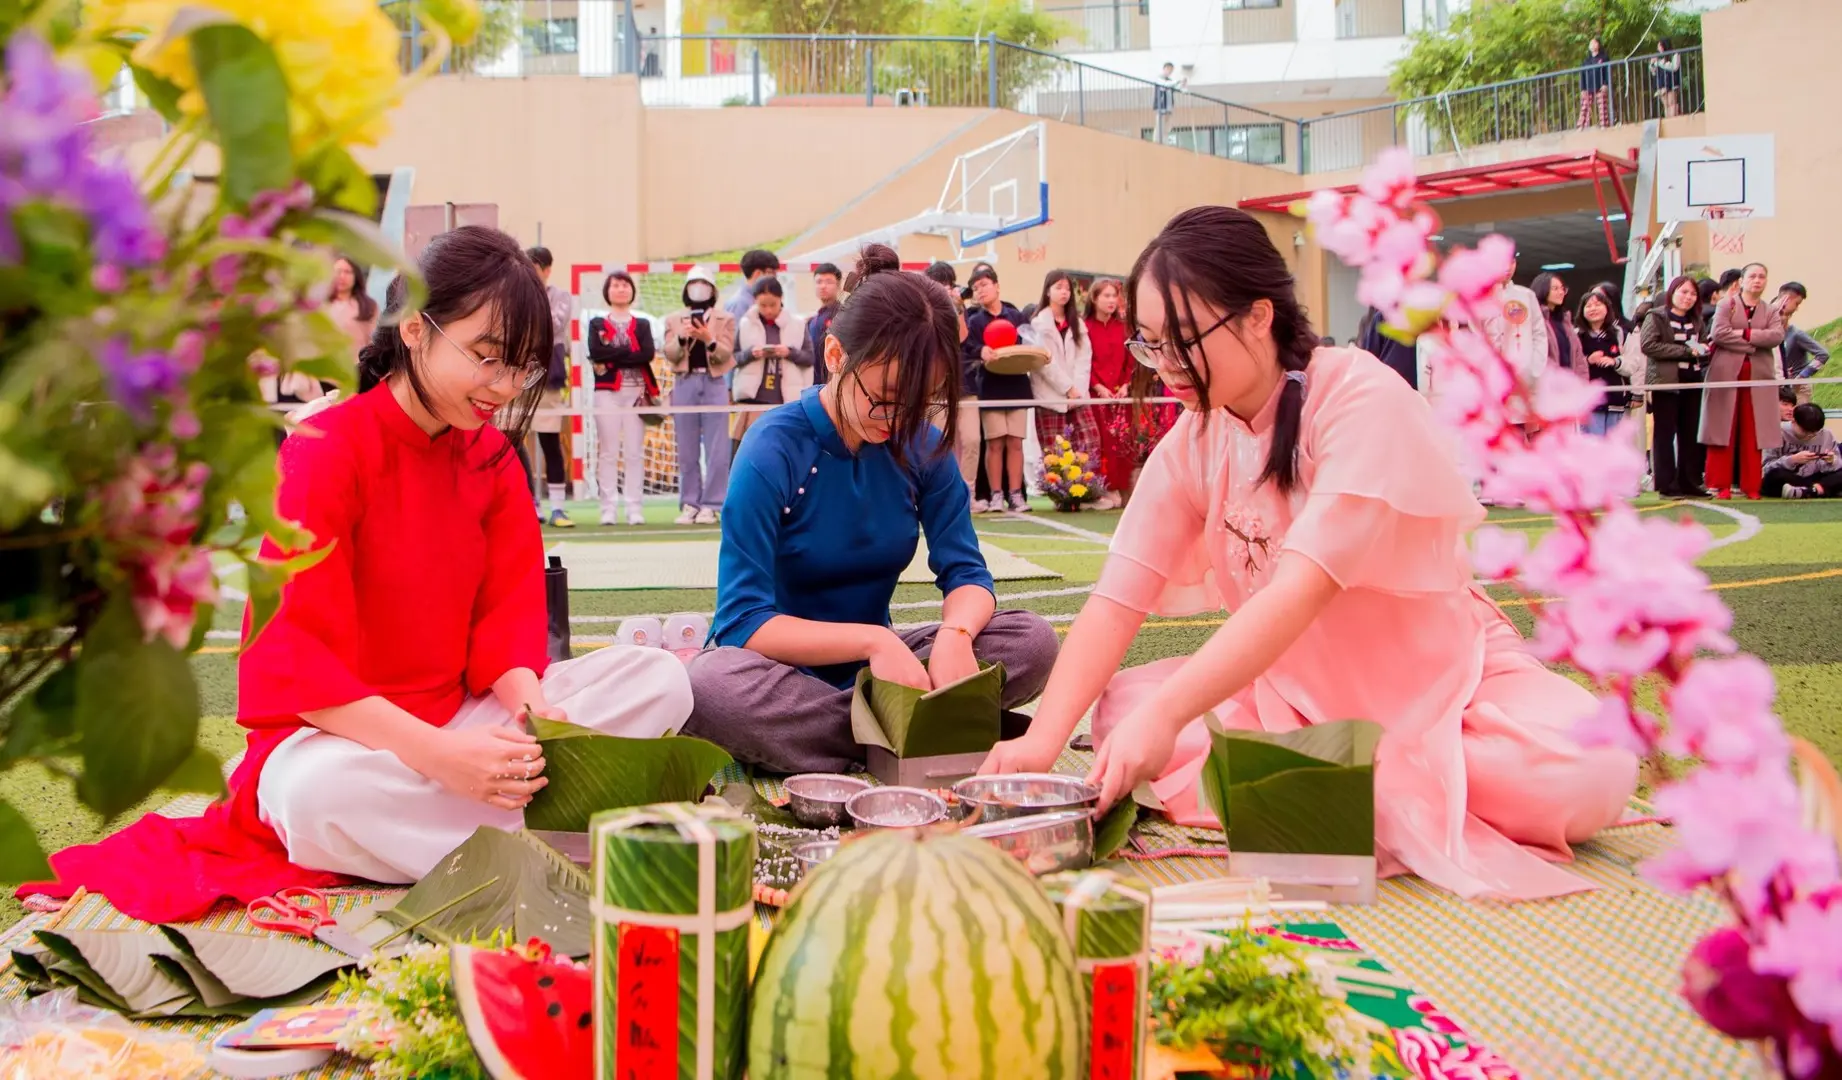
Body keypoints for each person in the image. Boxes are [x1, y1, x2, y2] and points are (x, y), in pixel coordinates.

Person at [22, 227, 695, 922]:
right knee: (312, 798)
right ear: (414, 329)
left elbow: (508, 620)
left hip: (461, 719)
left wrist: (533, 709)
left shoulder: (492, 459)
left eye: (519, 368)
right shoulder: (326, 450)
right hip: (341, 741)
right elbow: (300, 670)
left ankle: (492, 831)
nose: (503, 387)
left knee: (659, 680)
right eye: (487, 358)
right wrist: (441, 757)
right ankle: (552, 830)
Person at [977, 206, 1636, 902]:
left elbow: (1301, 589)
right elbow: (1116, 601)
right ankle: (1330, 784)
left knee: (1594, 769)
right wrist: (1043, 742)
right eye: (1150, 344)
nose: (1165, 366)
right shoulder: (1194, 439)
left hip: (1446, 686)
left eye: (1181, 342)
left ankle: (1331, 786)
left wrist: (1169, 717)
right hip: (1286, 700)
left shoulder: (1355, 397)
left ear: (1258, 316)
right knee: (1120, 718)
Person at [683, 245, 1059, 774]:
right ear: (836, 357)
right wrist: (874, 638)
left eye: (919, 399)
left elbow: (968, 574)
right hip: (782, 670)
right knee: (709, 687)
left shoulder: (922, 446)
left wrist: (954, 635)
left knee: (1033, 641)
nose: (898, 418)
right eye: (884, 398)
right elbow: (744, 622)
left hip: (880, 668)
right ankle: (911, 727)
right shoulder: (773, 447)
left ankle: (871, 730)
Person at [1702, 262, 1786, 500]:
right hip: (1725, 374)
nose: (1757, 280)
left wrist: (1745, 334)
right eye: (1753, 276)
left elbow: (1776, 336)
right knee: (1722, 429)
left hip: (1759, 376)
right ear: (1742, 280)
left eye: (1762, 276)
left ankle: (1752, 485)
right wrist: (1753, 344)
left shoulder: (1770, 310)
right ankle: (1720, 485)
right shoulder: (1725, 304)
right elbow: (1718, 333)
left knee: (1754, 430)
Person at [662, 266, 736, 525]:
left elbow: (726, 354)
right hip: (684, 382)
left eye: (703, 283)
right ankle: (690, 502)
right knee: (686, 446)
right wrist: (683, 338)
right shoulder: (674, 319)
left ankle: (712, 503)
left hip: (714, 382)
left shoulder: (725, 318)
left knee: (717, 447)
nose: (698, 287)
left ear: (712, 289)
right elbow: (670, 355)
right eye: (693, 283)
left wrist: (708, 338)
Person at [586, 270, 656, 526]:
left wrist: (613, 354)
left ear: (632, 291)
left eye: (625, 285)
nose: (621, 289)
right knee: (608, 452)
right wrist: (627, 351)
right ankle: (608, 508)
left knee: (635, 452)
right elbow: (595, 352)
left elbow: (646, 354)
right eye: (616, 285)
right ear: (608, 291)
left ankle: (634, 507)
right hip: (607, 393)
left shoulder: (643, 324)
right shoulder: (596, 323)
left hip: (637, 394)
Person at [964, 266, 1032, 513]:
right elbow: (968, 348)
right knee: (994, 443)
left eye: (984, 285)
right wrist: (981, 351)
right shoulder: (974, 321)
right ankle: (995, 495)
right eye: (975, 288)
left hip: (1017, 385)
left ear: (997, 286)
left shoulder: (1016, 316)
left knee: (1015, 442)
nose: (980, 291)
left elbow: (1031, 342)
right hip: (990, 387)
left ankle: (1016, 495)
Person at [1642, 274, 1713, 498]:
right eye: (1683, 292)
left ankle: (1690, 481)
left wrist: (1702, 350)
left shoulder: (1697, 320)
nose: (1688, 297)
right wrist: (1684, 351)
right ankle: (1666, 484)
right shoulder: (1656, 316)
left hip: (1692, 381)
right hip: (1665, 383)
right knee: (1664, 434)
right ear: (1672, 293)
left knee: (1690, 433)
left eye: (1693, 293)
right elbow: (1649, 345)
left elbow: (1702, 344)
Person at [526, 246, 576, 529]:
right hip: (517, 377)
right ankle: (529, 503)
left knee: (550, 442)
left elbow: (553, 324)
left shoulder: (561, 297)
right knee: (517, 445)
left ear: (547, 270)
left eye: (535, 267)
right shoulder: (513, 295)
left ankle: (557, 507)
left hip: (549, 375)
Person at [1030, 269, 1099, 473]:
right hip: (1050, 395)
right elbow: (1042, 361)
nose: (1064, 292)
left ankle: (1087, 491)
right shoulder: (1038, 323)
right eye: (1058, 287)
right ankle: (1063, 495)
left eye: (1068, 288)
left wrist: (1076, 390)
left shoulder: (1078, 324)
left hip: (1078, 395)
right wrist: (1067, 388)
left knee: (1089, 441)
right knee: (1055, 451)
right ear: (1047, 291)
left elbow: (1084, 359)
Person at [732, 277, 812, 446]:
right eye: (763, 305)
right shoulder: (746, 323)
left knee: (783, 445)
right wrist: (751, 353)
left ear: (781, 299)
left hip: (785, 400)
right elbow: (734, 358)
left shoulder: (797, 324)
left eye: (772, 305)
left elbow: (809, 358)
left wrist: (789, 352)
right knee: (753, 446)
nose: (768, 310)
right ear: (755, 301)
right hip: (754, 399)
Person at [1087, 277, 1136, 507]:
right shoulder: (1084, 327)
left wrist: (1126, 384)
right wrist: (1098, 387)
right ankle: (1102, 490)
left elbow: (1130, 361)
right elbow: (1084, 362)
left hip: (1120, 397)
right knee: (1101, 443)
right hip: (1096, 397)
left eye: (1114, 296)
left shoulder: (1123, 328)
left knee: (1122, 444)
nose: (1111, 300)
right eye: (1105, 295)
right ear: (1094, 298)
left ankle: (1122, 490)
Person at [1577, 284, 1636, 435]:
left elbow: (1633, 363)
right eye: (1588, 306)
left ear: (1608, 307)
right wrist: (1588, 360)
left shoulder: (1620, 334)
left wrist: (1616, 362)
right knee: (1593, 447)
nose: (1593, 309)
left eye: (1598, 304)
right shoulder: (1576, 336)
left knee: (1614, 446)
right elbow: (1569, 367)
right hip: (1589, 402)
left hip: (1615, 398)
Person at [1764, 402, 1842, 498]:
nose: (1810, 435)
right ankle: (1820, 490)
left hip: (1815, 478)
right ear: (1793, 420)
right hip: (1790, 478)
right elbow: (1766, 469)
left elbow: (1838, 465)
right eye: (1805, 431)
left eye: (1814, 432)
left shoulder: (1826, 434)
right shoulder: (1778, 432)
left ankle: (1808, 491)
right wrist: (1792, 460)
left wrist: (1832, 461)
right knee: (1775, 475)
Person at [1776, 282, 1829, 405]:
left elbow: (1823, 354)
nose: (1781, 317)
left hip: (1797, 389)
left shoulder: (1796, 334)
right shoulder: (1768, 334)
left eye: (1785, 314)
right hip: (1780, 386)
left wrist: (1801, 376)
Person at [1531, 271, 1589, 383]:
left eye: (1563, 288)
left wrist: (1581, 384)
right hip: (1545, 387)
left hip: (1570, 388)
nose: (1561, 292)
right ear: (1542, 289)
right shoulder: (1535, 319)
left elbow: (1578, 358)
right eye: (1555, 288)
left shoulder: (1565, 321)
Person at [326, 254, 378, 359]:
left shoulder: (368, 306)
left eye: (347, 272)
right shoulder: (320, 305)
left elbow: (374, 341)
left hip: (357, 367)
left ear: (356, 276)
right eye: (338, 271)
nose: (342, 276)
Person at [1357, 305, 1418, 389]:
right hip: (1414, 387)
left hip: (1387, 384)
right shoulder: (1426, 316)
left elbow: (1368, 358)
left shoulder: (1382, 316)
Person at [806, 262, 844, 388]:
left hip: (832, 383)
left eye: (828, 282)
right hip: (815, 384)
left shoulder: (842, 315)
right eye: (819, 282)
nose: (823, 286)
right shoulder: (813, 319)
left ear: (838, 285)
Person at [1578, 37, 1611, 129]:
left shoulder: (1604, 58)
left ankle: (1604, 125)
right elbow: (1582, 75)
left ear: (1598, 45)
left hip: (1600, 85)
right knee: (1585, 107)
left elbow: (1607, 72)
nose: (1592, 45)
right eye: (1591, 43)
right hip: (1588, 86)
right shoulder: (1586, 61)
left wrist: (1605, 83)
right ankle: (1581, 126)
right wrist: (1582, 88)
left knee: (1602, 106)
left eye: (1594, 43)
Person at [1650, 38, 1683, 118]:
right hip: (1662, 84)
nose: (1658, 49)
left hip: (1671, 82)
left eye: (1660, 46)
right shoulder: (1659, 57)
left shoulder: (1675, 54)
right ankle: (1668, 119)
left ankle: (1674, 120)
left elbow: (1674, 67)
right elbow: (1654, 72)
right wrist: (1652, 64)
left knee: (1672, 103)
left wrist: (1659, 63)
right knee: (1666, 105)